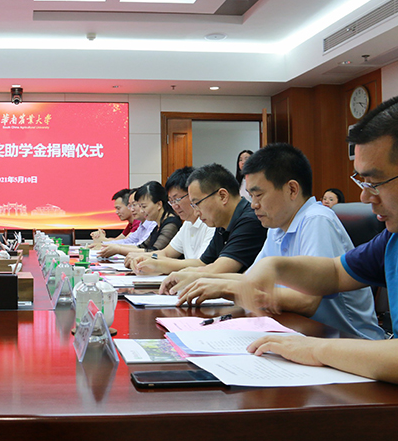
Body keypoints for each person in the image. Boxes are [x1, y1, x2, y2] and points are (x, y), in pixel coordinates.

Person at [242, 96, 398, 384]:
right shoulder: (393, 238)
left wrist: (315, 349)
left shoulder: (317, 219)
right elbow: (336, 272)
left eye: (375, 183)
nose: (365, 196)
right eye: (362, 182)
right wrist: (275, 267)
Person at [161, 144, 383, 340]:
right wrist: (198, 278)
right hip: (303, 334)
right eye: (251, 196)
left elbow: (307, 300)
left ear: (292, 189)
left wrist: (223, 287)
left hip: (348, 341)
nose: (253, 205)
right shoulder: (277, 227)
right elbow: (252, 279)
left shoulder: (317, 220)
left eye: (259, 195)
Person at [136, 163, 267, 274]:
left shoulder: (250, 221)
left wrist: (163, 267)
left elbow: (217, 269)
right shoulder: (221, 223)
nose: (196, 212)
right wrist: (153, 263)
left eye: (197, 203)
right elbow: (203, 263)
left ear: (222, 196)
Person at [128, 167, 215, 273]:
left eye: (177, 199)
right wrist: (143, 257)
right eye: (171, 201)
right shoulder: (187, 224)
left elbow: (201, 263)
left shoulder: (211, 223)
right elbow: (166, 253)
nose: (174, 206)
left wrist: (157, 264)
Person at [99, 182, 180, 257]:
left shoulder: (171, 224)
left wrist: (119, 249)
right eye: (140, 206)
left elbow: (154, 252)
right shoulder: (158, 225)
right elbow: (141, 247)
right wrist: (114, 247)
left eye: (144, 207)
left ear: (159, 204)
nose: (141, 211)